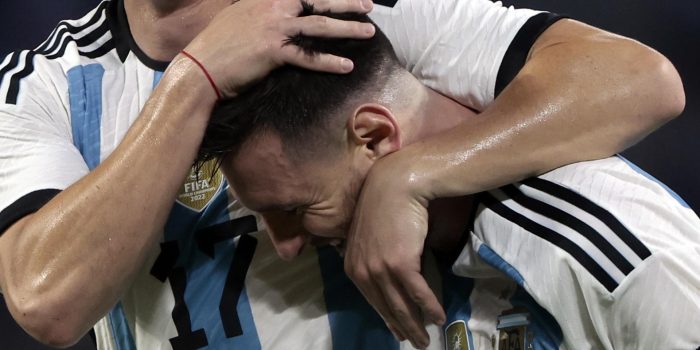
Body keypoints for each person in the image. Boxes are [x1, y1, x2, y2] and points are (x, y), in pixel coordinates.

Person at [0, 0, 684, 348]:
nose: (288, 238)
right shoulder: (46, 87)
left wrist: (411, 175)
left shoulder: (350, 11)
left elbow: (637, 80)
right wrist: (194, 82)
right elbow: (47, 301)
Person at [206, 13, 700, 349]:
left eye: (293, 209)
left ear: (375, 135)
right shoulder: (412, 264)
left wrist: (407, 178)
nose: (285, 248)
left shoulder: (602, 250)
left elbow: (650, 79)